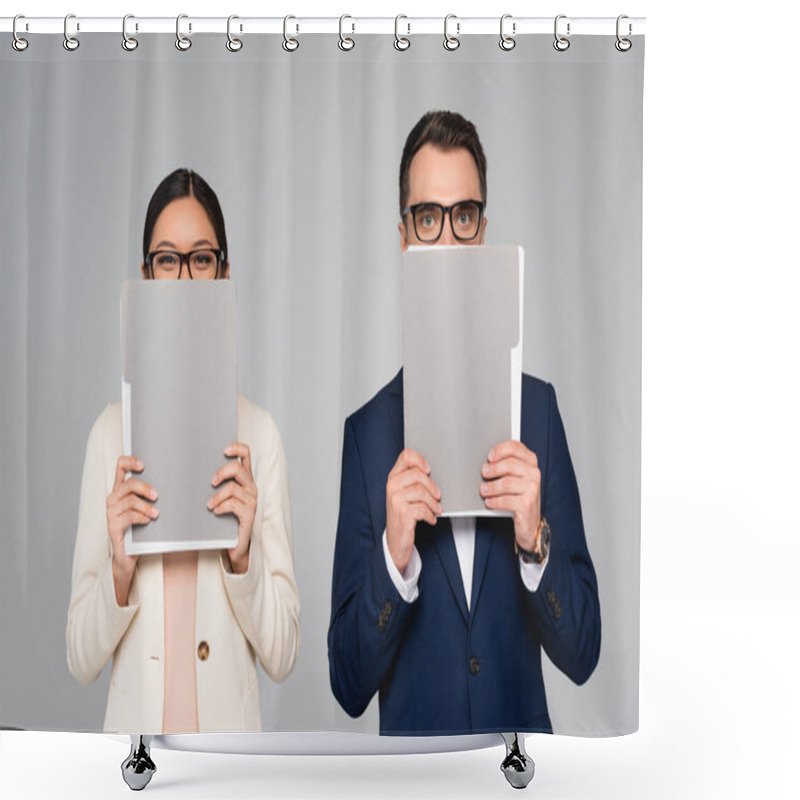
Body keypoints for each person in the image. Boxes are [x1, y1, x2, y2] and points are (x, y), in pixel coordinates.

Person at [328, 111, 601, 735]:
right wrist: (394, 561)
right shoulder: (367, 437)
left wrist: (536, 541)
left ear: (483, 232)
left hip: (515, 769)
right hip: (416, 778)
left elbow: (584, 654)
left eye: (464, 216)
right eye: (428, 218)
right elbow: (347, 686)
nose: (447, 240)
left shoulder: (538, 413)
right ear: (403, 238)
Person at [66, 168, 300, 734]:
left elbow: (284, 653)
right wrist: (119, 571)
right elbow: (80, 658)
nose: (185, 275)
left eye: (202, 258)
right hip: (136, 764)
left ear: (223, 273)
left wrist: (243, 561)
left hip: (231, 766)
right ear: (147, 276)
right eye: (167, 259)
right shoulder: (108, 436)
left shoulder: (259, 435)